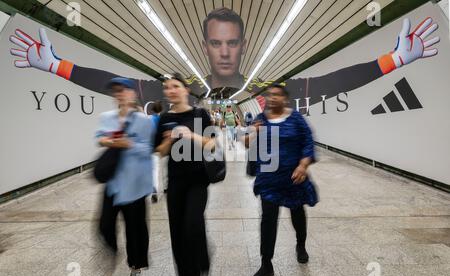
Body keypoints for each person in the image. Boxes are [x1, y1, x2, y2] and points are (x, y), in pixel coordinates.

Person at [10, 13, 440, 99]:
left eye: (232, 42)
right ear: (204, 46)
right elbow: (117, 85)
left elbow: (330, 83)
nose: (224, 50)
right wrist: (56, 66)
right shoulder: (184, 89)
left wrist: (394, 60)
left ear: (243, 45)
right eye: (216, 42)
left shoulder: (261, 88)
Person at [243, 84, 317, 276]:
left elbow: (308, 143)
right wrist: (253, 133)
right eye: (269, 95)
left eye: (276, 95)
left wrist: (303, 165)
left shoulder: (296, 119)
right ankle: (266, 263)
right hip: (269, 180)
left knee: (297, 214)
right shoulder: (261, 119)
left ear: (285, 98)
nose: (272, 98)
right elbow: (246, 143)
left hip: (294, 178)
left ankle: (300, 245)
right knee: (268, 220)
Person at [154, 73, 216, 276]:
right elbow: (159, 152)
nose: (170, 90)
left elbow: (211, 144)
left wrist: (190, 135)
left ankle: (204, 262)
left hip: (198, 179)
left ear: (186, 90)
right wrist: (169, 140)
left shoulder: (200, 114)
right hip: (176, 182)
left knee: (193, 224)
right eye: (167, 87)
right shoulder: (163, 118)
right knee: (178, 231)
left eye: (175, 86)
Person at [95, 77, 154, 276]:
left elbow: (149, 149)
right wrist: (110, 141)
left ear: (132, 93)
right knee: (104, 225)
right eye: (115, 91)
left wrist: (129, 144)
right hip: (113, 184)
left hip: (135, 185)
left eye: (123, 90)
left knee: (135, 232)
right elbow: (99, 138)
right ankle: (112, 250)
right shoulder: (106, 118)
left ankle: (136, 269)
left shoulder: (143, 121)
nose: (119, 94)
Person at [149, 101, 163, 203]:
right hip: (162, 148)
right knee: (160, 169)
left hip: (151, 148)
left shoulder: (149, 119)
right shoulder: (163, 119)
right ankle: (164, 187)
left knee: (154, 170)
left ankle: (154, 189)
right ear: (161, 110)